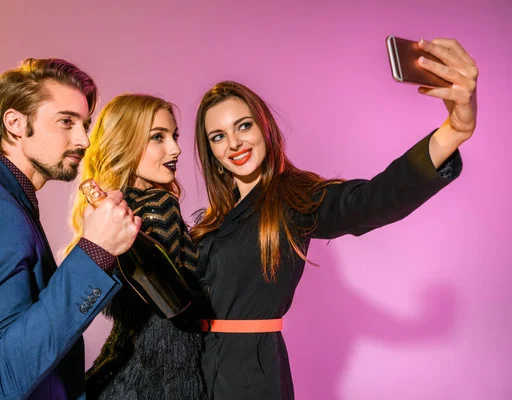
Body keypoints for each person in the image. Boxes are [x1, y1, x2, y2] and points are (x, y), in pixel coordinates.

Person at [190, 38, 478, 399]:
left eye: (243, 126)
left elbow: (371, 201)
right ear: (212, 152)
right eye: (219, 136)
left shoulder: (293, 198)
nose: (233, 143)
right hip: (196, 373)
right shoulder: (209, 223)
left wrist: (454, 131)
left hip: (252, 379)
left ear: (264, 128)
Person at [0, 58, 141, 400]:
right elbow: (6, 369)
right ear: (15, 124)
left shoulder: (2, 198)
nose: (84, 140)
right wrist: (95, 251)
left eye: (85, 124)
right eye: (66, 122)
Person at [67, 94, 207, 400]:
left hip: (118, 367)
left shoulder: (106, 215)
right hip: (168, 370)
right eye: (158, 137)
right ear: (125, 142)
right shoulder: (160, 204)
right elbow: (183, 298)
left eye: (174, 136)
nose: (176, 149)